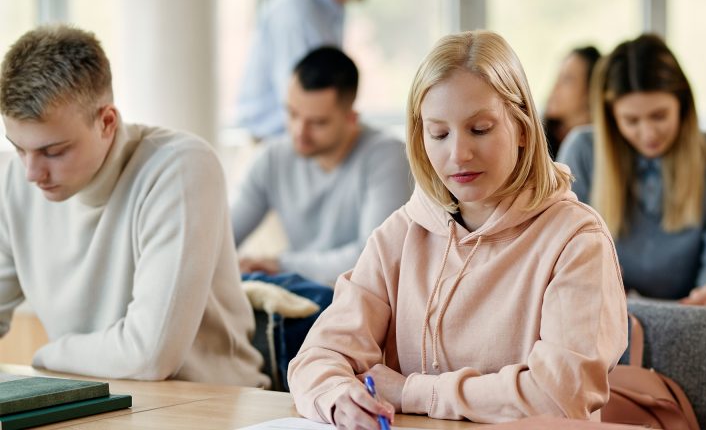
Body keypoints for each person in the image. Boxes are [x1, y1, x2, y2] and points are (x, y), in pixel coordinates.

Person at [288, 30, 628, 427]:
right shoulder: (400, 235)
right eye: (439, 133)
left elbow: (559, 396)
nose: (459, 154)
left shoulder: (577, 241)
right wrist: (337, 397)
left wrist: (411, 392)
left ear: (521, 128)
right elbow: (317, 357)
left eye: (480, 129)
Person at [0, 25, 270, 387]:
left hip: (208, 405)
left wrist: (49, 355)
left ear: (107, 122)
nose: (32, 173)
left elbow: (151, 354)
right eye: (19, 148)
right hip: (93, 399)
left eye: (54, 151)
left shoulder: (180, 167)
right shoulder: (13, 181)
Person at [558, 33, 706, 306]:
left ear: (683, 106)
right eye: (631, 120)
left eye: (659, 116)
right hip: (607, 315)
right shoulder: (582, 150)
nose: (648, 133)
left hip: (690, 315)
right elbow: (566, 249)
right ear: (611, 117)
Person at [231, 46, 412, 286]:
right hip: (300, 293)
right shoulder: (272, 159)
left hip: (361, 297)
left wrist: (282, 265)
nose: (299, 132)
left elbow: (375, 258)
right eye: (292, 114)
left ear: (351, 119)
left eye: (317, 123)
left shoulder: (388, 157)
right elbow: (223, 237)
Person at [236, 0, 358, 140]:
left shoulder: (333, 10)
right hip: (279, 140)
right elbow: (302, 98)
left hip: (308, 143)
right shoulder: (295, 10)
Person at [543, 46, 601, 159]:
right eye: (558, 77)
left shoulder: (599, 146)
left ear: (590, 91)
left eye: (567, 79)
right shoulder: (536, 137)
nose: (556, 86)